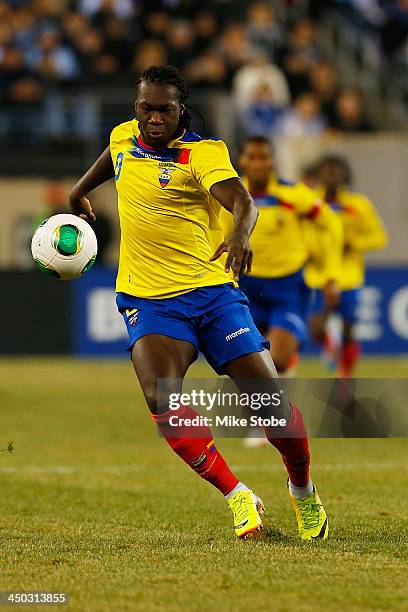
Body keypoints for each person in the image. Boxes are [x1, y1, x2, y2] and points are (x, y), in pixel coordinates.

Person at [69, 65, 328, 541]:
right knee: (159, 396)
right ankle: (238, 495)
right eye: (145, 107)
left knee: (270, 406)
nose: (153, 118)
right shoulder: (125, 136)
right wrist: (79, 191)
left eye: (164, 109)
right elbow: (114, 156)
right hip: (149, 301)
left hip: (211, 296)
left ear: (180, 109)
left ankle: (303, 490)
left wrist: (240, 235)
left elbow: (241, 200)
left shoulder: (202, 153)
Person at [221, 136, 342, 378]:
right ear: (241, 160)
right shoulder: (229, 196)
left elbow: (331, 223)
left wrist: (330, 274)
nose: (258, 163)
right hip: (245, 286)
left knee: (278, 360)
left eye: (263, 157)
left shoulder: (293, 193)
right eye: (251, 157)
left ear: (272, 161)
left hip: (288, 288)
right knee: (246, 364)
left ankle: (284, 376)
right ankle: (265, 411)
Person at [307, 155, 388, 377]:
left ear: (344, 175)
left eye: (336, 172)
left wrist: (354, 242)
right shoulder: (310, 203)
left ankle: (345, 377)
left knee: (349, 329)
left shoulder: (358, 205)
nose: (331, 176)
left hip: (349, 277)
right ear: (319, 175)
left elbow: (379, 237)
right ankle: (330, 343)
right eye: (326, 171)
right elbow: (301, 235)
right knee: (315, 328)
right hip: (318, 275)